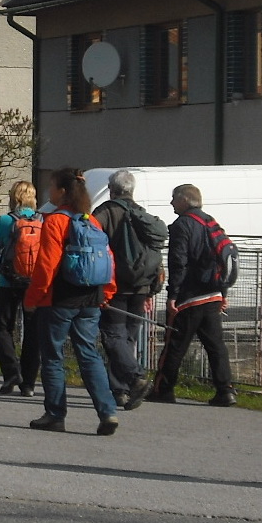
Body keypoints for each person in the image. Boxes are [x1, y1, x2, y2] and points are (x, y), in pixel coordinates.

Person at [24, 167, 120, 436]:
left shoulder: (56, 221)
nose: (48, 191)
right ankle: (107, 411)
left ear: (63, 191)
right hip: (90, 299)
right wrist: (107, 293)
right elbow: (107, 259)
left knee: (53, 357)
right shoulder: (91, 221)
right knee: (89, 355)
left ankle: (55, 414)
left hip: (58, 300)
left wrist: (33, 298)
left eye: (52, 186)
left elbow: (46, 266)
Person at [148, 183, 235, 407]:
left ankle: (164, 389)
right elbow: (221, 259)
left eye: (174, 198)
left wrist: (172, 295)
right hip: (213, 294)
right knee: (216, 346)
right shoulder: (210, 221)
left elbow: (179, 263)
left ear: (185, 200)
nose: (171, 203)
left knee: (175, 345)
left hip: (189, 297)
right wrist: (222, 293)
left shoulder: (181, 225)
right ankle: (225, 391)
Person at [91, 169, 164, 408]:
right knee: (128, 338)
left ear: (112, 189)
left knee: (113, 336)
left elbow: (93, 246)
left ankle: (134, 378)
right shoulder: (142, 214)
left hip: (116, 285)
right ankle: (120, 389)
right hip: (142, 286)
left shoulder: (104, 213)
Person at [0, 180, 40, 397]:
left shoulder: (6, 220)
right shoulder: (42, 221)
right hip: (34, 282)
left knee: (3, 327)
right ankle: (28, 383)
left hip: (9, 281)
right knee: (32, 331)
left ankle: (11, 372)